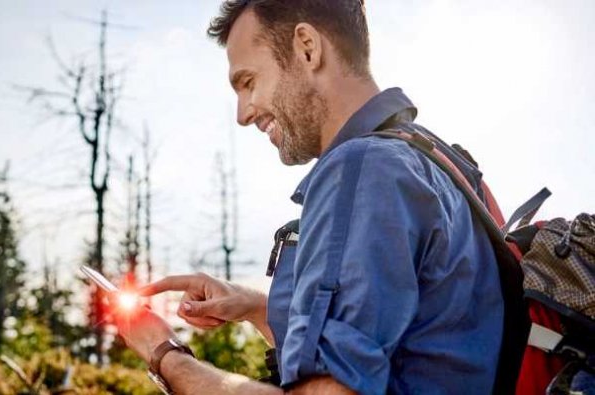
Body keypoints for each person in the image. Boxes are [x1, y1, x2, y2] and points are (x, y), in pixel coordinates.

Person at [114, 1, 505, 394]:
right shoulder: (435, 160)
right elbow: (420, 347)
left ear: (306, 47)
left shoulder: (362, 169)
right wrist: (256, 308)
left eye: (248, 82)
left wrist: (165, 354)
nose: (243, 114)